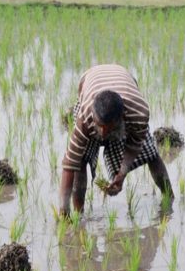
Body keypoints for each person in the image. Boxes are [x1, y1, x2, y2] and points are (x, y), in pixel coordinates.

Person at [58, 64, 173, 217]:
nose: (103, 134)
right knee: (80, 161)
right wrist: (63, 212)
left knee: (150, 152)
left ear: (121, 119)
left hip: (124, 81)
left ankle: (169, 197)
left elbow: (134, 145)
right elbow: (69, 165)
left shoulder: (138, 113)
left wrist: (121, 174)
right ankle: (79, 213)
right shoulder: (85, 117)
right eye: (100, 127)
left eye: (109, 129)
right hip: (88, 83)